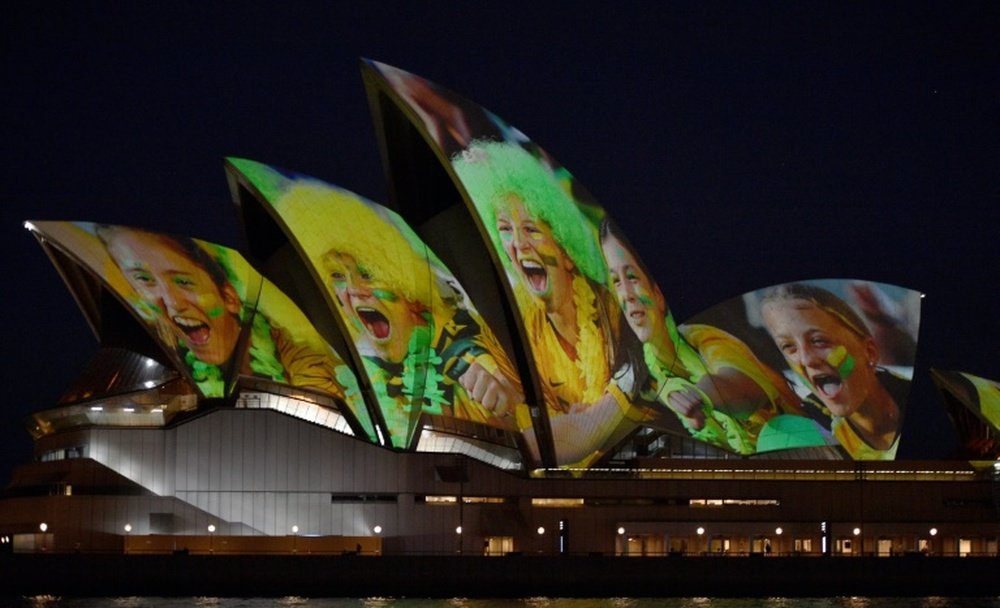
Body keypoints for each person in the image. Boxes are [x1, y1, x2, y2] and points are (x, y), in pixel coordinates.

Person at [270, 182, 523, 444]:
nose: (354, 290)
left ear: (400, 283)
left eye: (367, 274)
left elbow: (487, 369)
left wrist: (502, 398)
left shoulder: (459, 340)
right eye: (337, 276)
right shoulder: (358, 368)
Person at [453, 141, 640, 466]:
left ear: (566, 250)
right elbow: (483, 359)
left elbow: (587, 431)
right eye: (505, 230)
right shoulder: (518, 320)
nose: (519, 244)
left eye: (530, 229)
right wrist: (488, 379)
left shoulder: (618, 313)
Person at [599, 218, 808, 454]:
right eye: (616, 281)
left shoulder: (701, 337)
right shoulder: (648, 365)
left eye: (632, 277)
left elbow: (743, 387)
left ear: (658, 292)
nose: (626, 294)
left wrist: (701, 395)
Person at [96, 224, 350, 401]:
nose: (172, 303)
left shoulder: (302, 358)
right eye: (143, 279)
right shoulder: (168, 366)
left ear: (229, 297)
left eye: (184, 282)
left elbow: (324, 403)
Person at [759, 283, 907, 459]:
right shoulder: (796, 433)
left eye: (818, 341)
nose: (806, 360)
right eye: (789, 346)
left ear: (870, 352)